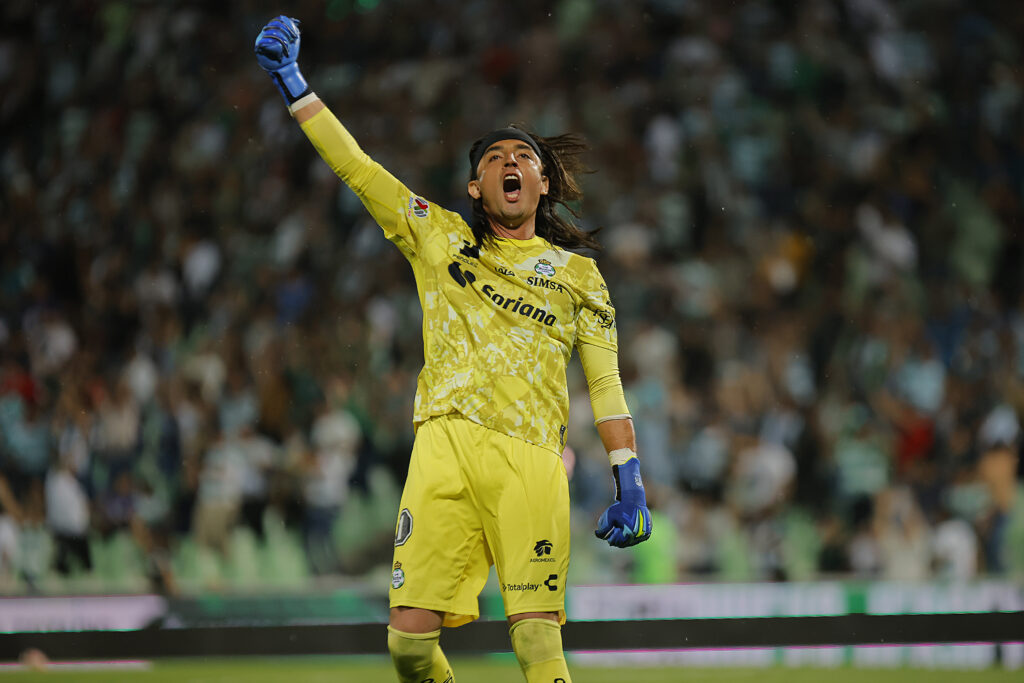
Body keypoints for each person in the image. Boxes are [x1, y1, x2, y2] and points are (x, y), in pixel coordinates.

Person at [254, 16, 653, 683]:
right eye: (492, 159)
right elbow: (359, 169)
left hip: (530, 456)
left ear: (544, 182)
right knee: (408, 648)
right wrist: (297, 87)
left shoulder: (579, 275)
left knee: (535, 645)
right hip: (442, 447)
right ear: (474, 189)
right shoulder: (437, 240)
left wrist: (629, 477)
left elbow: (606, 383)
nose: (508, 164)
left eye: (523, 156)